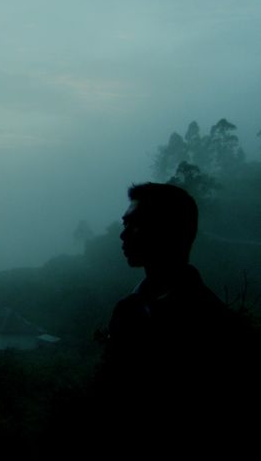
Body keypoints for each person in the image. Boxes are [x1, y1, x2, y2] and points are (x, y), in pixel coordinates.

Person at [98, 182, 249, 456]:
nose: (123, 235)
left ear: (170, 231)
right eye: (125, 223)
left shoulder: (216, 326)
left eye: (135, 224)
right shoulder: (127, 311)